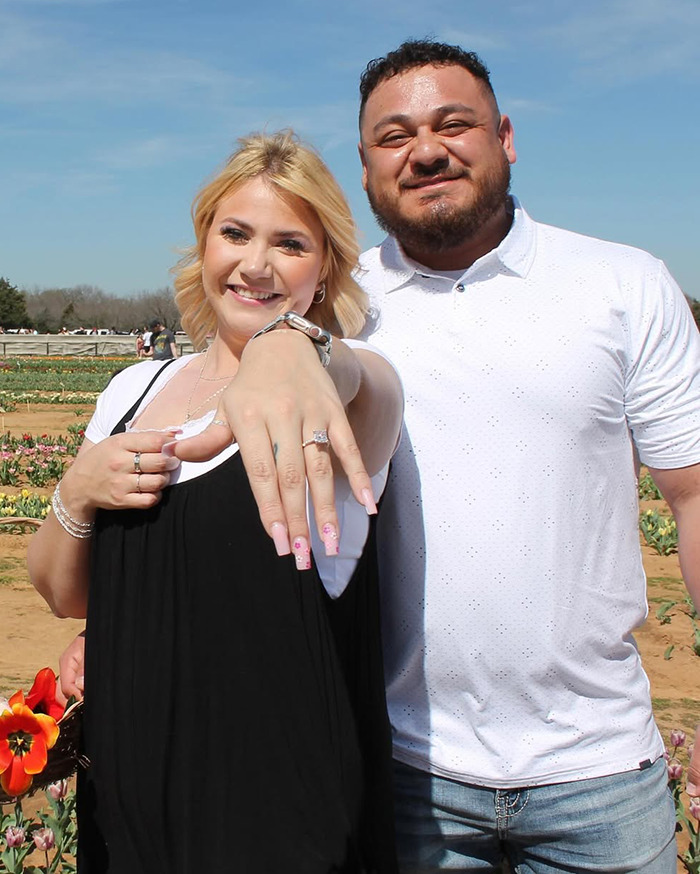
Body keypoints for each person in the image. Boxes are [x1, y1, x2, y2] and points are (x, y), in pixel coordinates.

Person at [55, 38, 700, 873]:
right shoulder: (336, 295)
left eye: (453, 123)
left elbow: (689, 495)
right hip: (404, 763)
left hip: (598, 767)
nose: (426, 150)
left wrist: (295, 341)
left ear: (505, 136)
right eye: (394, 137)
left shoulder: (622, 285)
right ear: (365, 169)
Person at [29, 131, 403, 874]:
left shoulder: (338, 393)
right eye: (235, 233)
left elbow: (374, 386)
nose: (255, 264)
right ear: (205, 243)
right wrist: (77, 491)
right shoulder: (131, 393)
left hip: (275, 809)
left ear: (325, 266)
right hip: (131, 791)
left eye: (291, 243)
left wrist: (298, 344)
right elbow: (65, 593)